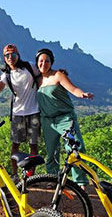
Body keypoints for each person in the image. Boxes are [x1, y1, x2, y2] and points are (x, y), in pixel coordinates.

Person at [35, 48, 94, 188]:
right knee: (51, 152)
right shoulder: (37, 80)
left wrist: (82, 94)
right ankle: (53, 179)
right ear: (37, 63)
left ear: (51, 62)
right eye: (41, 61)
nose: (44, 63)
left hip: (65, 118)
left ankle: (80, 181)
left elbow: (73, 89)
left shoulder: (58, 75)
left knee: (75, 148)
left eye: (47, 61)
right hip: (47, 121)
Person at [0, 44, 41, 179]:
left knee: (33, 145)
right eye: (7, 55)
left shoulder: (30, 67)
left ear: (18, 55)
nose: (10, 57)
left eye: (13, 54)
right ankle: (14, 174)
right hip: (17, 113)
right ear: (4, 58)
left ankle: (30, 175)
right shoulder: (6, 75)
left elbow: (43, 75)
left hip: (34, 111)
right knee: (15, 145)